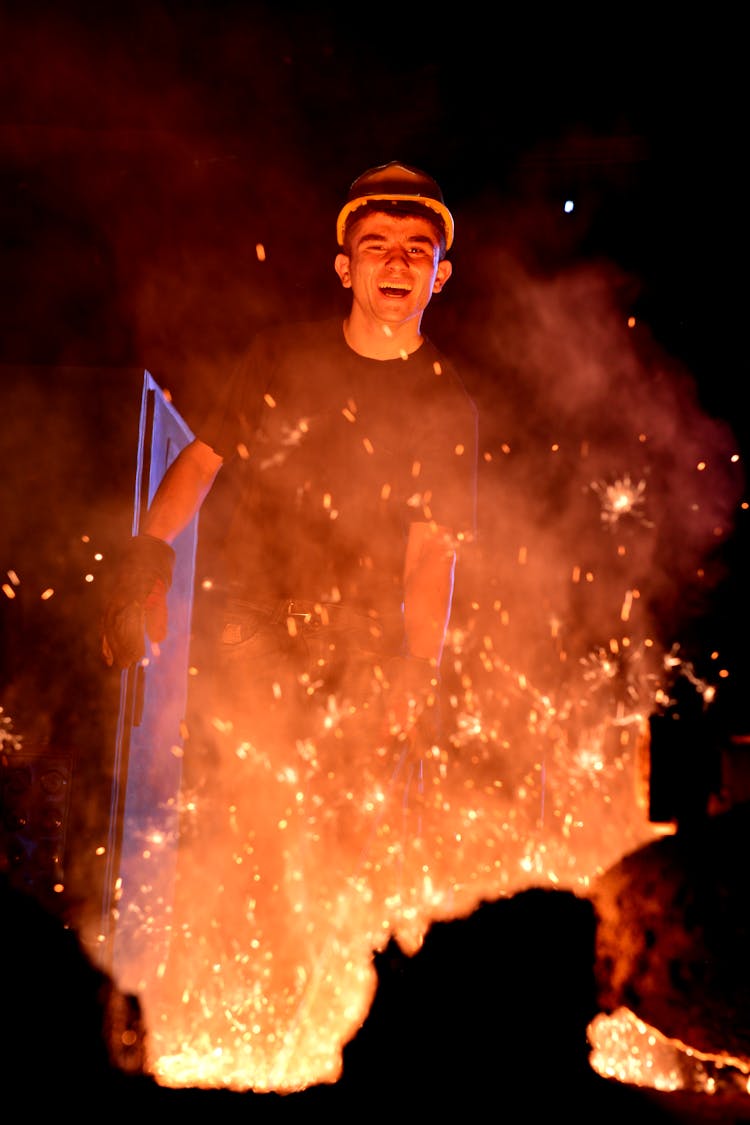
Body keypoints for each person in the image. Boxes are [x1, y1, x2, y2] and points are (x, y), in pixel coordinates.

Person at [101, 161, 479, 1086]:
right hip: (253, 627)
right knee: (251, 812)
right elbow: (198, 464)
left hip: (360, 642)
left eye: (415, 249)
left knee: (342, 830)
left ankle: (326, 1030)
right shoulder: (280, 358)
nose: (395, 263)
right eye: (376, 247)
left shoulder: (447, 404)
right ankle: (235, 1018)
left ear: (440, 275)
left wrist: (416, 673)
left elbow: (432, 552)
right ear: (343, 266)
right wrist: (146, 555)